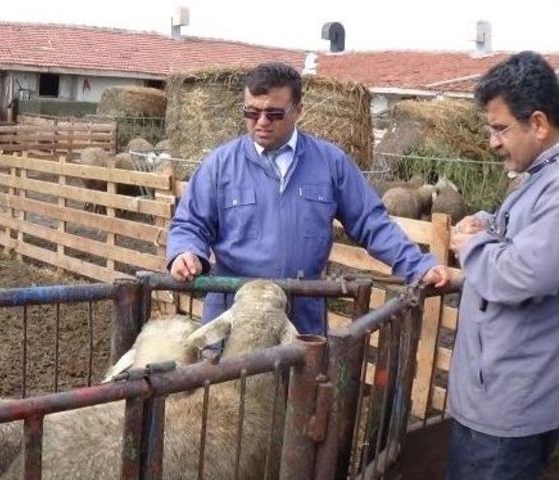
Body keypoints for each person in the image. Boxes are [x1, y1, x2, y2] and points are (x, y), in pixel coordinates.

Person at [167, 62, 449, 334]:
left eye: (274, 114)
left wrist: (418, 265)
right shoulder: (220, 165)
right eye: (252, 112)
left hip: (301, 313)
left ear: (298, 110)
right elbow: (190, 223)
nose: (261, 122)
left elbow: (371, 222)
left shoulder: (329, 163)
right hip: (234, 310)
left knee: (299, 382)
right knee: (230, 383)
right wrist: (185, 251)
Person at [447, 51, 559, 479]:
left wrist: (471, 245)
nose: (492, 142)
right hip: (493, 398)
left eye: (500, 128)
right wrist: (490, 222)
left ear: (539, 123)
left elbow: (525, 272)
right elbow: (527, 237)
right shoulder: (538, 178)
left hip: (510, 409)